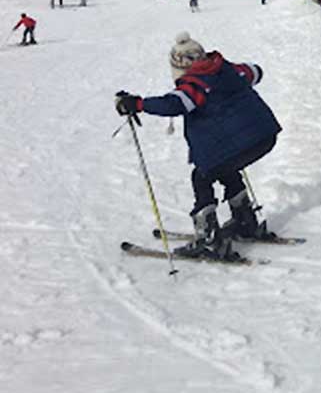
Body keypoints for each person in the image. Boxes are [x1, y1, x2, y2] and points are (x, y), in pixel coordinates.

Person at [113, 32, 282, 259]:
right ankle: (245, 221)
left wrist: (138, 103)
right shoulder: (231, 69)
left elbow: (175, 103)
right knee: (226, 167)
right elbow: (256, 71)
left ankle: (210, 239)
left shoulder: (195, 84)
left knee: (202, 176)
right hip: (265, 136)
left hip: (241, 143)